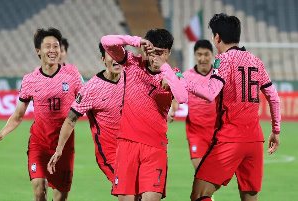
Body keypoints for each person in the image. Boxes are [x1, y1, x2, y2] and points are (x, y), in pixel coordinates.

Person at [163, 13, 281, 201]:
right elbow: (274, 98)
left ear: (217, 37)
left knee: (200, 194)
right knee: (250, 198)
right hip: (255, 140)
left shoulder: (224, 60)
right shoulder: (256, 61)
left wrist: (182, 80)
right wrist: (275, 130)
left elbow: (210, 93)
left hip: (230, 138)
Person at [101, 29, 188, 201]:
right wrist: (136, 41)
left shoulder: (174, 74)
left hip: (155, 148)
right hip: (127, 144)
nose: (155, 57)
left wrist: (165, 68)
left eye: (160, 53)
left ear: (169, 52)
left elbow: (182, 97)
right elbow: (106, 41)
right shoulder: (132, 63)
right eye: (152, 52)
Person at [0, 27, 83, 201]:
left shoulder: (72, 75)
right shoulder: (29, 80)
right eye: (48, 46)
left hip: (64, 145)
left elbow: (87, 102)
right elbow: (19, 115)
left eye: (56, 46)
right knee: (38, 192)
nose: (53, 50)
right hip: (39, 143)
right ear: (38, 51)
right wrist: (2, 133)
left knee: (60, 198)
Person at [47, 42, 125, 184]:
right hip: (110, 153)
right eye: (111, 55)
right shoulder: (91, 89)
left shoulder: (131, 79)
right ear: (103, 59)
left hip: (133, 149)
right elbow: (71, 119)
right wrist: (59, 150)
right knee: (128, 190)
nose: (115, 58)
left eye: (119, 54)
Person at [167, 40, 216, 171]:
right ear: (195, 55)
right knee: (201, 173)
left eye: (206, 54)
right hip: (196, 133)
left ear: (212, 55)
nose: (203, 58)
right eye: (199, 54)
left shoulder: (219, 76)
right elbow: (177, 96)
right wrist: (173, 110)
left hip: (218, 133)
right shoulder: (186, 76)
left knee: (215, 178)